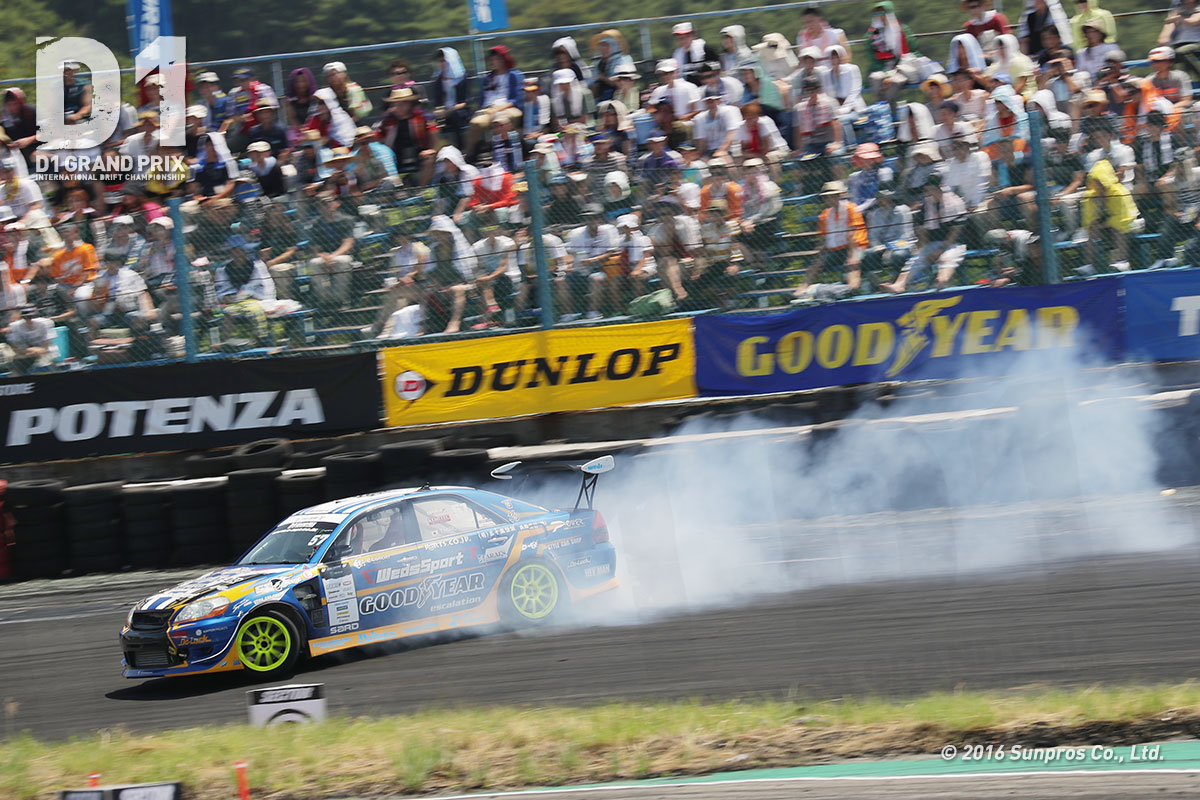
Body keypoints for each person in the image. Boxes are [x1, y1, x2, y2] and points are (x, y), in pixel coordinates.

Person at [883, 174, 968, 292]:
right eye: (927, 190)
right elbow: (922, 230)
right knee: (915, 261)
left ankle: (940, 282)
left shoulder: (955, 202)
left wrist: (940, 251)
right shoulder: (926, 205)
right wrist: (923, 249)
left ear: (940, 188)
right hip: (932, 243)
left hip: (953, 244)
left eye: (931, 189)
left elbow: (956, 231)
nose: (929, 193)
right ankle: (899, 285)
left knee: (946, 260)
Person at [796, 180, 868, 299]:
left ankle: (852, 288)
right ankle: (801, 291)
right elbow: (823, 239)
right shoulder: (825, 215)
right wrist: (820, 257)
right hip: (836, 250)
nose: (830, 199)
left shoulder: (851, 208)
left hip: (857, 246)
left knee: (853, 263)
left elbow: (853, 234)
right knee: (814, 266)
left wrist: (852, 256)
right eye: (827, 197)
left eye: (833, 196)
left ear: (839, 196)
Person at [1080, 157, 1141, 272]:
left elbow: (1123, 220)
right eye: (1095, 182)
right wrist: (1099, 205)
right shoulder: (1092, 196)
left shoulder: (1118, 193)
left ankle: (1123, 262)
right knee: (1092, 231)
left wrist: (1102, 224)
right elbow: (1089, 221)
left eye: (1100, 182)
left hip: (1134, 224)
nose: (1098, 185)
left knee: (1118, 230)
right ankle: (1088, 265)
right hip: (1109, 225)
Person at [214, 235, 275, 343]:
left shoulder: (257, 265)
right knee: (227, 313)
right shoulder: (224, 269)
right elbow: (222, 291)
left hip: (257, 300)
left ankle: (262, 339)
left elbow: (268, 287)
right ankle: (225, 342)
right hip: (236, 303)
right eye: (238, 250)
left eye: (243, 250)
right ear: (232, 252)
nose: (242, 252)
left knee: (255, 310)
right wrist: (225, 297)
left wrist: (258, 298)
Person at [562, 204, 620, 320]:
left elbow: (611, 253)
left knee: (596, 278)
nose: (590, 221)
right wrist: (567, 266)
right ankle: (568, 314)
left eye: (594, 218)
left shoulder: (609, 230)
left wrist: (593, 260)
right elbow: (569, 254)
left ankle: (593, 312)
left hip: (601, 268)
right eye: (587, 218)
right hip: (580, 269)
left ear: (600, 219)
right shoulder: (575, 233)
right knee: (561, 280)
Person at [84, 248, 156, 339]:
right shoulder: (100, 278)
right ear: (105, 263)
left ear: (119, 263)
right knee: (92, 321)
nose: (112, 265)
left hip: (128, 311)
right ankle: (93, 346)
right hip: (108, 313)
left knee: (138, 318)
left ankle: (139, 344)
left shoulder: (130, 275)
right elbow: (93, 301)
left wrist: (149, 311)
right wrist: (97, 300)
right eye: (109, 263)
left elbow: (143, 293)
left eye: (114, 263)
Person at [469, 46, 525, 157]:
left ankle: (513, 151)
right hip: (489, 109)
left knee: (502, 122)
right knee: (475, 124)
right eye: (492, 59)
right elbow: (482, 100)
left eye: (497, 59)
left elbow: (516, 98)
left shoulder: (514, 75)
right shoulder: (487, 78)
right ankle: (471, 155)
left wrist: (499, 109)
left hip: (508, 108)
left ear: (504, 60)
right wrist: (485, 110)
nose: (493, 62)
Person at [307, 193, 356, 309]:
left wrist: (332, 256)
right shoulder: (315, 224)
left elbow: (348, 244)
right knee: (314, 263)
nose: (326, 206)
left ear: (335, 204)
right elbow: (314, 248)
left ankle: (341, 300)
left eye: (329, 202)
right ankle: (325, 301)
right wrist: (323, 256)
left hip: (342, 254)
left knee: (342, 261)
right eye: (322, 204)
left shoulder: (346, 220)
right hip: (324, 256)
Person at [862, 185, 915, 287]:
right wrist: (877, 246)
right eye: (879, 198)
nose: (880, 200)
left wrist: (889, 248)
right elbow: (873, 236)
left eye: (883, 198)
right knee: (867, 254)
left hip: (902, 245)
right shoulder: (875, 214)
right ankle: (877, 284)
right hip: (882, 247)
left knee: (898, 255)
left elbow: (906, 236)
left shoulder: (903, 210)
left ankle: (896, 282)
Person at [469, 217, 517, 328]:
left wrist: (489, 277)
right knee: (481, 281)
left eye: (493, 227)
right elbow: (478, 267)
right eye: (486, 228)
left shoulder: (508, 242)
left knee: (488, 282)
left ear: (498, 229)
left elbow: (503, 266)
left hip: (508, 276)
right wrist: (481, 277)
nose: (490, 231)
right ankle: (491, 312)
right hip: (487, 278)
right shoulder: (476, 246)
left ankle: (488, 314)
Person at [823, 45, 866, 146]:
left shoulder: (852, 69)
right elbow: (827, 96)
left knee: (842, 120)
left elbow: (854, 92)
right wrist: (835, 110)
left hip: (854, 108)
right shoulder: (826, 74)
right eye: (832, 58)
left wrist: (843, 110)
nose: (834, 60)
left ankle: (850, 147)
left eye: (836, 57)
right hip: (836, 109)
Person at [430, 48, 470, 151]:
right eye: (440, 61)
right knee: (429, 120)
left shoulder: (461, 78)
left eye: (444, 61)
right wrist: (438, 111)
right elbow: (437, 103)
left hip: (459, 111)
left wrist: (448, 111)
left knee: (455, 116)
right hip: (444, 112)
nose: (442, 64)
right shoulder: (438, 80)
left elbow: (465, 102)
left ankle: (461, 149)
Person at [693, 86, 742, 161]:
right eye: (708, 101)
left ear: (719, 101)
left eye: (713, 101)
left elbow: (732, 133)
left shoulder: (729, 111)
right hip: (710, 152)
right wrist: (700, 157)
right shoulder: (700, 118)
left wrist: (722, 150)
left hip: (730, 149)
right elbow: (702, 141)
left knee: (725, 161)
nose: (711, 103)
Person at [5, 304, 57, 374]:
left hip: (46, 354)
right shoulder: (15, 326)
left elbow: (45, 348)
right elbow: (16, 349)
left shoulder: (45, 323)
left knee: (46, 361)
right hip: (26, 355)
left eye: (32, 316)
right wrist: (32, 352)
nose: (30, 320)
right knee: (16, 363)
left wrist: (32, 351)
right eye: (26, 317)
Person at [590, 29, 634, 103]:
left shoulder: (624, 60)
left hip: (619, 97)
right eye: (601, 45)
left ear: (615, 46)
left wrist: (602, 77)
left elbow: (621, 83)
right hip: (601, 98)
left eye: (606, 45)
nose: (603, 48)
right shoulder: (598, 63)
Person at [1162, 0, 1200, 80]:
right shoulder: (1178, 6)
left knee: (1182, 51)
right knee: (1163, 58)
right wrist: (1164, 37)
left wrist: (1180, 18)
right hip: (1179, 42)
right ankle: (1172, 83)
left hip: (1196, 42)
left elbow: (1194, 21)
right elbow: (1170, 22)